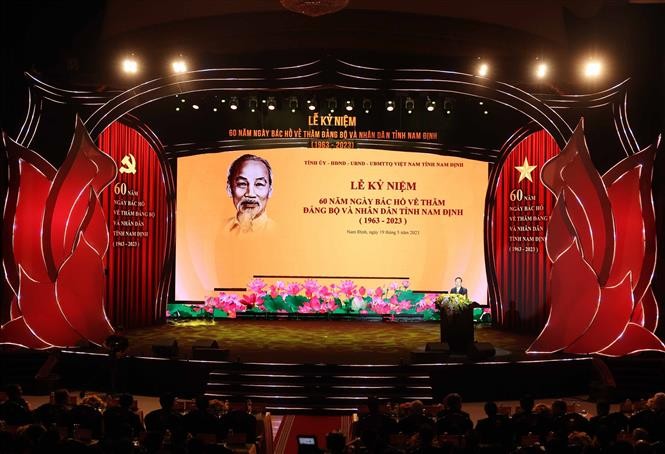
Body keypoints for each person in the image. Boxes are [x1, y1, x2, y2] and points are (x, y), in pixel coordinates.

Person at [224, 154, 275, 234]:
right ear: (229, 189)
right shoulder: (219, 230)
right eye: (242, 184)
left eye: (259, 184)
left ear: (270, 190)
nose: (250, 194)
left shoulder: (279, 232)